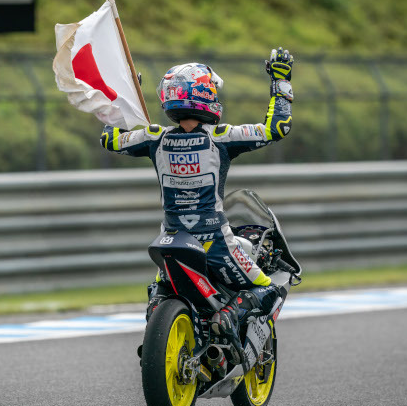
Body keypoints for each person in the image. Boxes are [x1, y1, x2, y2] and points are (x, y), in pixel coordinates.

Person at [100, 47, 294, 340]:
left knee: (159, 290)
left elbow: (110, 138)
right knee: (267, 289)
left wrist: (123, 99)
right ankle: (226, 317)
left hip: (170, 238)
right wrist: (281, 83)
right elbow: (277, 127)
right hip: (213, 242)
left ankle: (157, 312)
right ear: (205, 95)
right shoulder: (222, 137)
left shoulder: (154, 137)